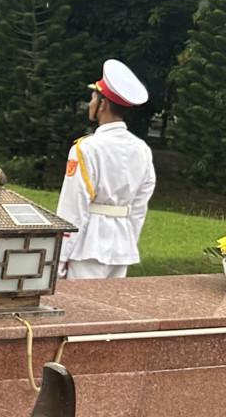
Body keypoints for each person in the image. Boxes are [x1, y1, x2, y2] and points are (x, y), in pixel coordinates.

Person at [58, 58, 156, 280]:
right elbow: (139, 207)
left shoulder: (86, 148)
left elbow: (73, 208)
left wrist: (60, 258)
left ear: (102, 104)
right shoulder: (141, 149)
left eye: (93, 97)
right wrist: (129, 240)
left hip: (87, 247)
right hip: (122, 246)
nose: (91, 103)